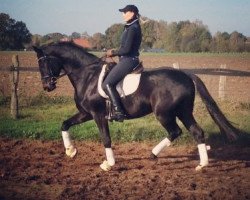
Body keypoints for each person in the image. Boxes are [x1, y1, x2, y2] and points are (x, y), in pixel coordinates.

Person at [102, 4, 142, 122]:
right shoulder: (129, 27)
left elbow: (126, 50)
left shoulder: (133, 28)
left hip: (129, 60)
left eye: (125, 12)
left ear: (132, 13)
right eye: (122, 12)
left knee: (107, 84)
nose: (123, 14)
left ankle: (119, 112)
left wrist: (113, 52)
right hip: (125, 59)